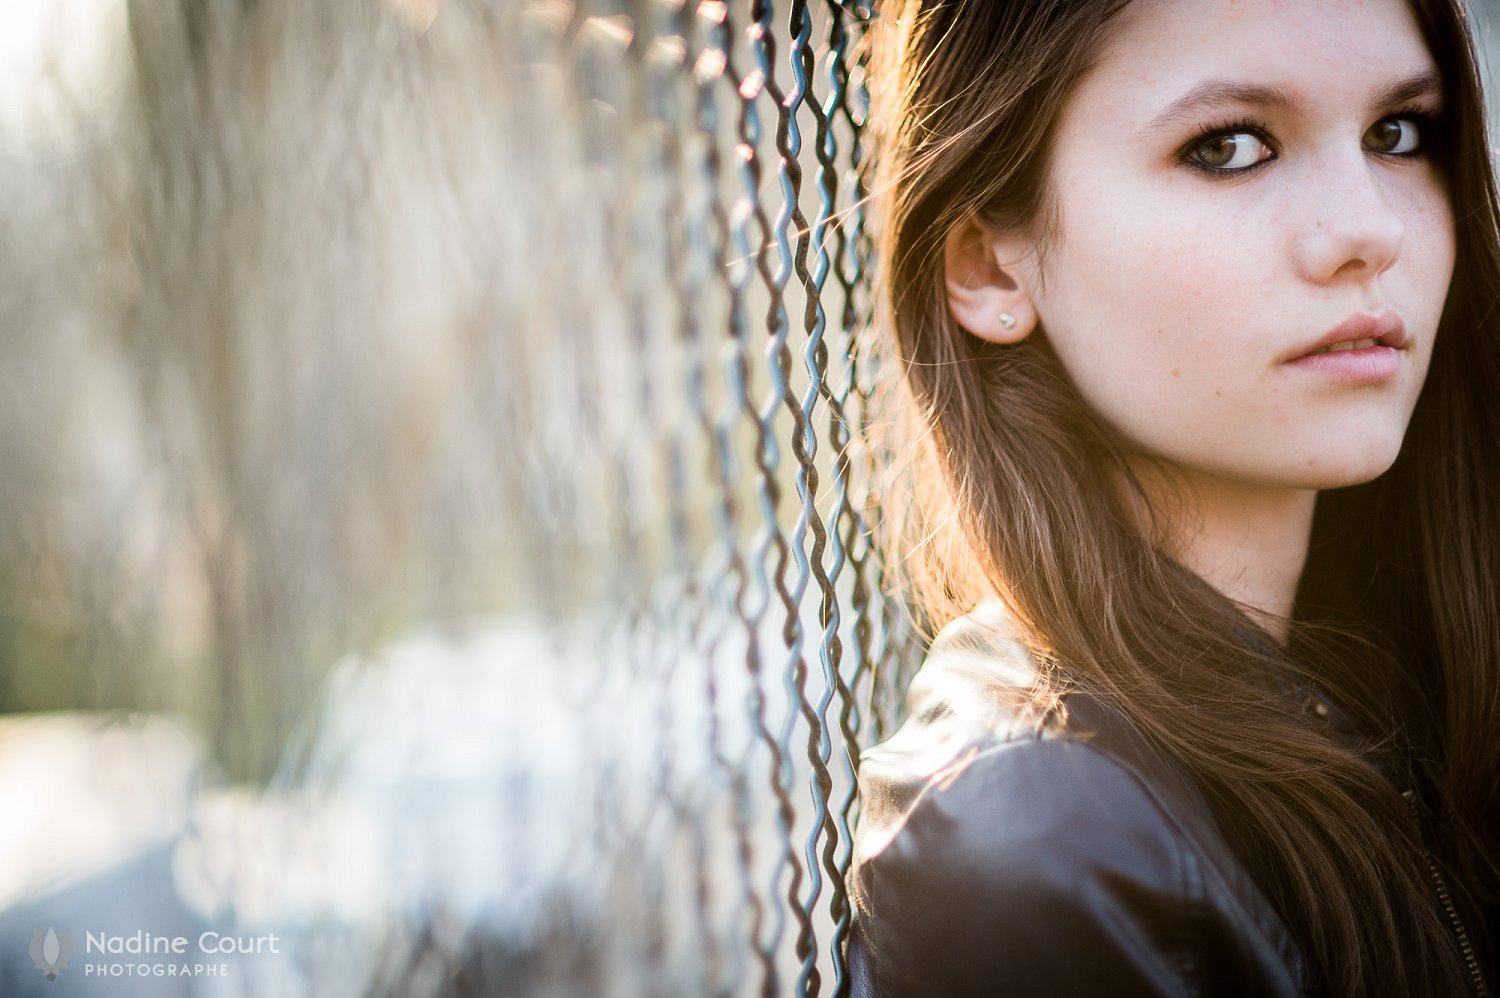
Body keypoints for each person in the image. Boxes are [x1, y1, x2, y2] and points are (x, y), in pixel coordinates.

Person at [846, 0, 1500, 994]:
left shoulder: (1407, 673)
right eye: (1230, 146)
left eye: (1397, 133)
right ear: (986, 261)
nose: (1369, 229)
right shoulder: (1047, 845)